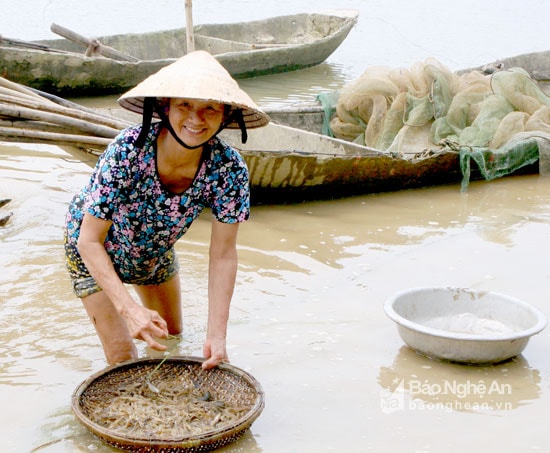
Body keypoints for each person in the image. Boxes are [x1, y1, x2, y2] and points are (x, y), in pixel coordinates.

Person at [64, 50, 269, 369]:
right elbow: (88, 240)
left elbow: (223, 254)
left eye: (209, 108)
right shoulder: (128, 150)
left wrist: (217, 336)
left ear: (226, 115)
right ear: (165, 106)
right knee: (123, 360)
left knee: (172, 339)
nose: (196, 119)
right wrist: (129, 309)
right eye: (185, 105)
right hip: (93, 249)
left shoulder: (229, 170)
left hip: (153, 251)